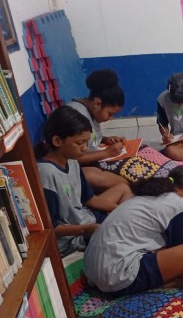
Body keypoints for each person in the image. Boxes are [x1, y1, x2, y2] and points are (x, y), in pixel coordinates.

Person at [83, 165, 183, 295]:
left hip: (92, 271)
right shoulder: (180, 205)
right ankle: (172, 285)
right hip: (115, 276)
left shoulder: (147, 196)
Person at [36, 106, 133, 257]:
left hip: (86, 219)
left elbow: (89, 199)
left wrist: (121, 211)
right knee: (126, 238)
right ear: (57, 141)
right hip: (73, 238)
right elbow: (51, 228)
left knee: (124, 191)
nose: (85, 148)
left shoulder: (71, 160)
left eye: (86, 142)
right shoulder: (46, 173)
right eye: (79, 143)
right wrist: (85, 230)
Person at [68, 69, 131, 190]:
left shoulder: (91, 112)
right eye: (110, 114)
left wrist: (105, 139)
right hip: (76, 168)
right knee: (122, 177)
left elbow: (89, 139)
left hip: (95, 160)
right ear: (97, 104)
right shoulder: (76, 116)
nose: (110, 118)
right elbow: (73, 158)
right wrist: (106, 153)